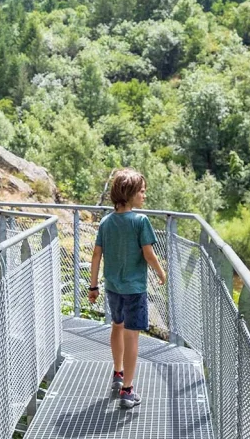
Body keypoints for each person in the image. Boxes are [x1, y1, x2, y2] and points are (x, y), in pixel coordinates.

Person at [88, 168, 167, 409]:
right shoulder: (140, 221)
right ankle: (128, 390)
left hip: (112, 287)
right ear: (130, 193)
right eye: (141, 191)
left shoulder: (105, 222)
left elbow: (96, 255)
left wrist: (93, 286)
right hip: (134, 289)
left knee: (116, 327)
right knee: (132, 337)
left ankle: (118, 372)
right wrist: (161, 272)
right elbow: (148, 254)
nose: (144, 196)